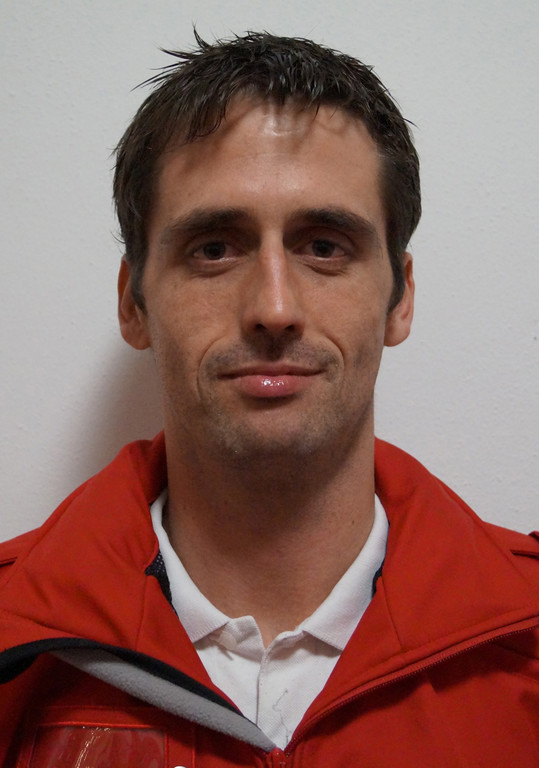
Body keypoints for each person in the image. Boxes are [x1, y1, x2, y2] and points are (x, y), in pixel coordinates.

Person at [0, 31, 537, 767]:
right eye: (214, 249)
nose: (274, 308)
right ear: (132, 302)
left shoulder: (526, 640)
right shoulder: (12, 642)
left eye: (324, 246)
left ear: (400, 298)